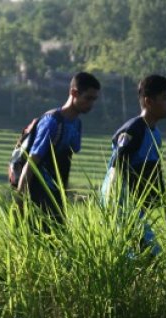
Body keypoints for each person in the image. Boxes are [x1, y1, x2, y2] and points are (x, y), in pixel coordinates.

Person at [16, 72, 100, 226]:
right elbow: (31, 163)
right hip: (38, 194)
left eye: (94, 99)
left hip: (56, 195)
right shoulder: (52, 122)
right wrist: (20, 203)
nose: (91, 104)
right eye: (88, 98)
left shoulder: (76, 124)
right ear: (74, 93)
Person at [101, 75, 166, 255]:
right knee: (148, 254)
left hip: (134, 206)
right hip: (121, 205)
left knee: (142, 255)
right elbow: (116, 167)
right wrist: (114, 206)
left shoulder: (154, 132)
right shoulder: (134, 129)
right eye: (164, 98)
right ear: (148, 101)